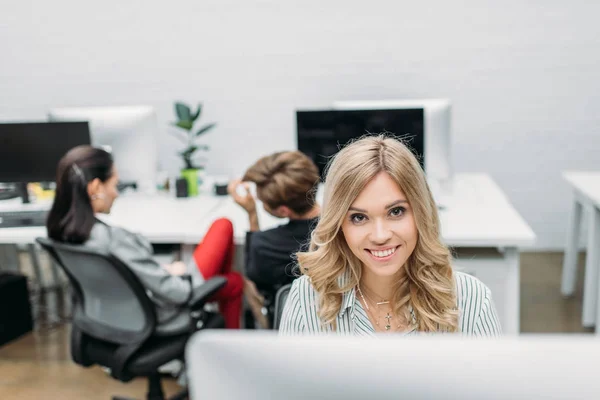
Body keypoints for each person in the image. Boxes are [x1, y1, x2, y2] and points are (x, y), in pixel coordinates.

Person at [279, 135, 501, 336]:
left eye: (396, 212)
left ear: (421, 214)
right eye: (358, 217)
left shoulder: (470, 299)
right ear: (339, 225)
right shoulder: (307, 298)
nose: (379, 235)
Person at [46, 145, 243, 332]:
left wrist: (162, 270)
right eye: (114, 185)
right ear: (96, 187)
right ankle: (227, 348)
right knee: (231, 272)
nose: (116, 194)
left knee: (222, 273)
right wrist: (176, 274)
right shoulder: (112, 239)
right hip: (156, 316)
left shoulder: (61, 230)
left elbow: (118, 274)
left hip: (107, 316)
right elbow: (177, 293)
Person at [228, 151, 320, 326]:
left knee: (248, 282)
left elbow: (256, 278)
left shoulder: (264, 245)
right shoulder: (347, 227)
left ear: (284, 211)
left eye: (262, 201)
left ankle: (265, 330)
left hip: (291, 323)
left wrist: (252, 214)